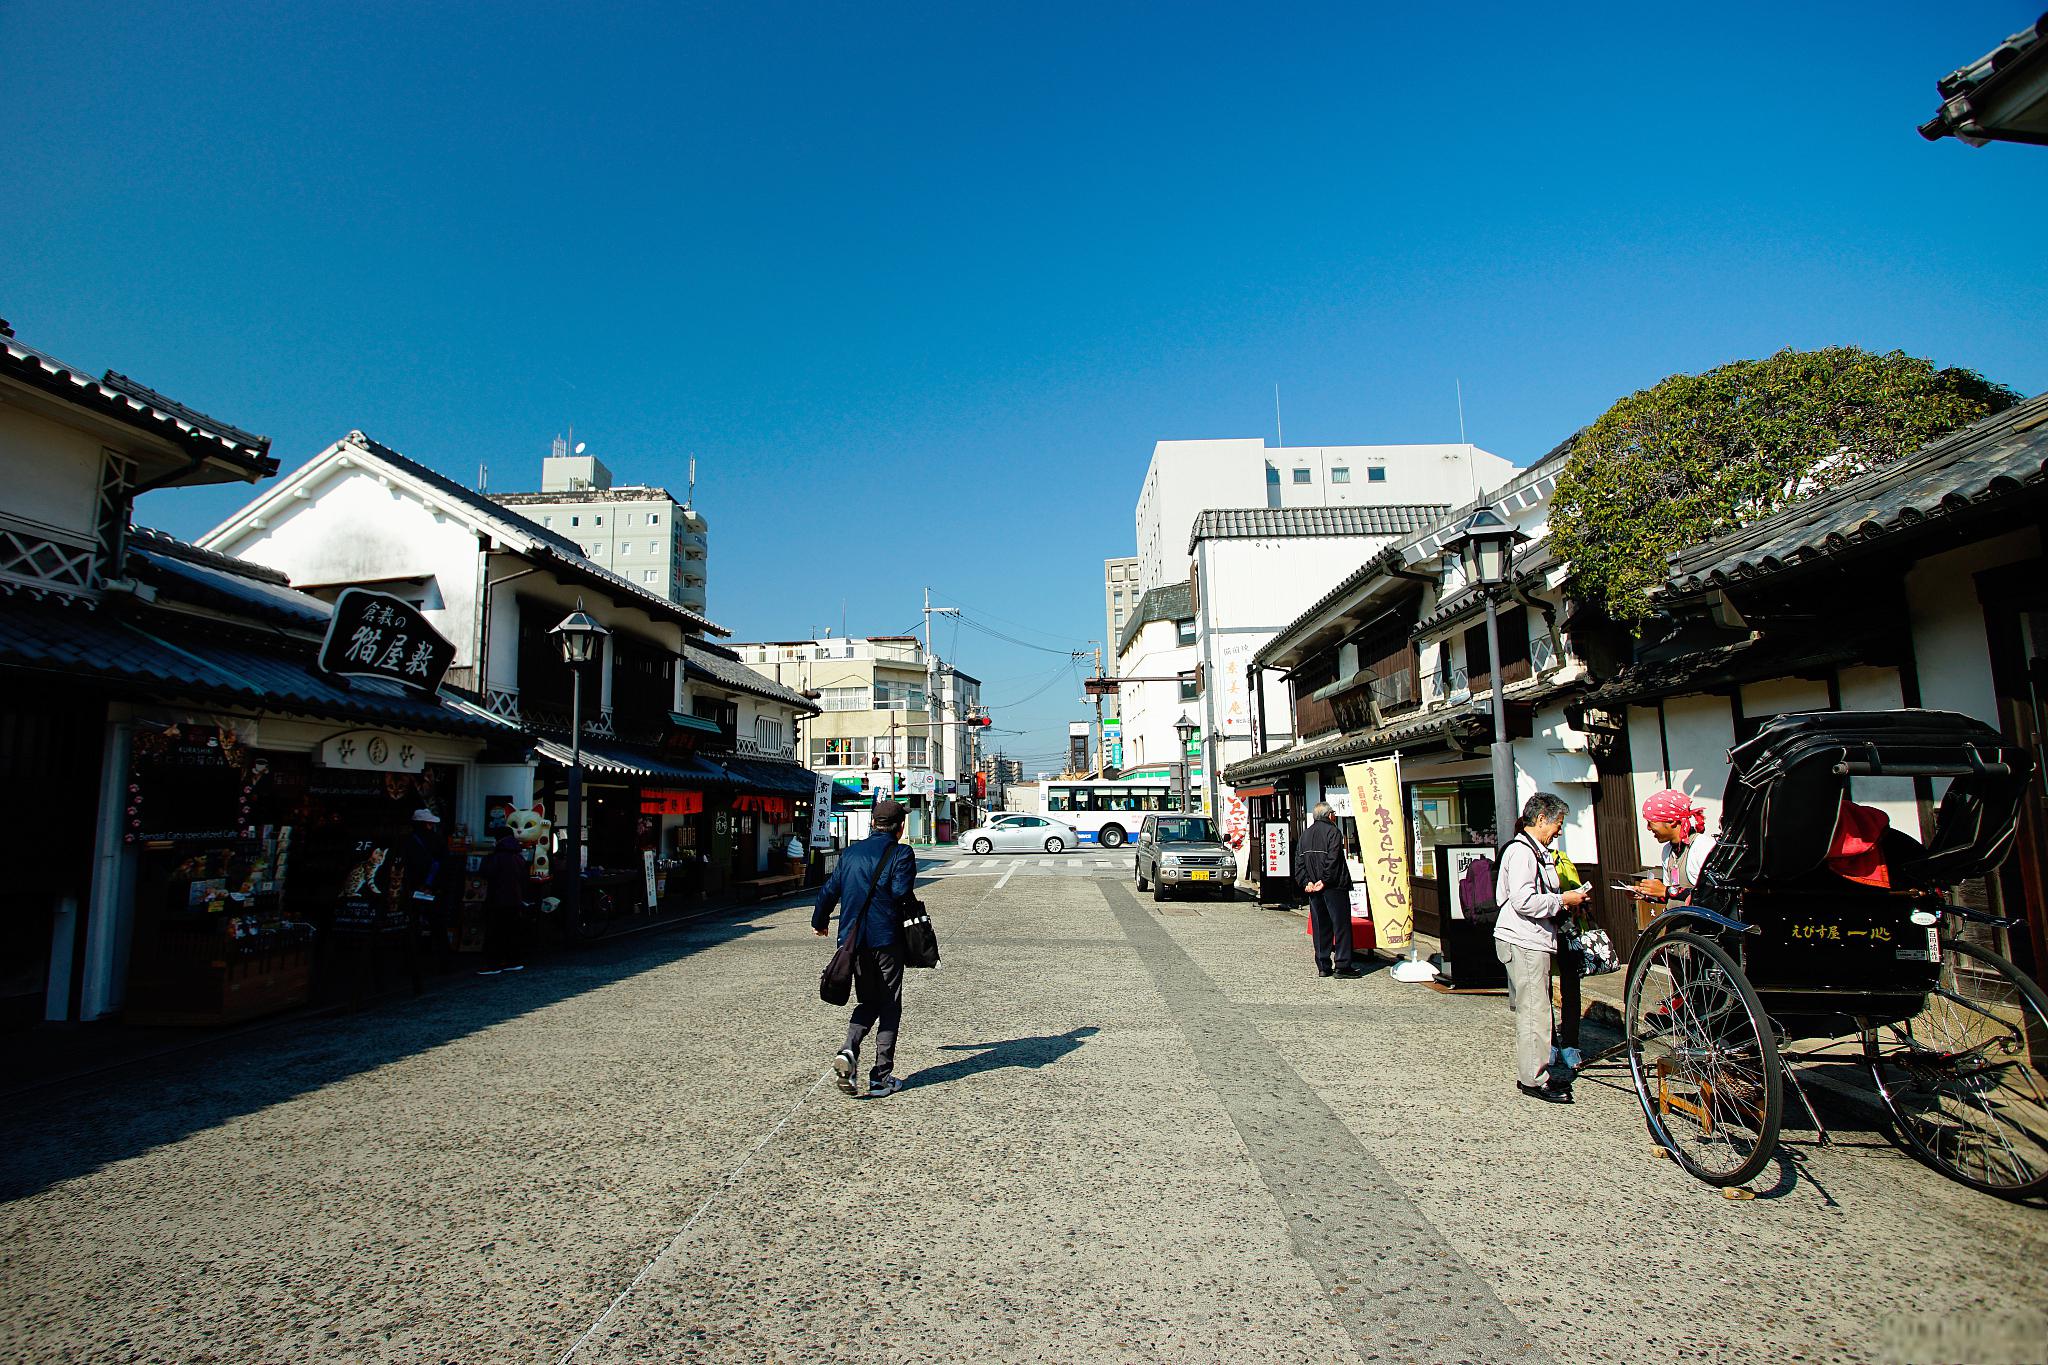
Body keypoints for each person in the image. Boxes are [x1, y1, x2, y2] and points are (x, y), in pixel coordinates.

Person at [1493, 793, 1594, 1104]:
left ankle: (1534, 1074)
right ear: (1540, 820)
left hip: (1530, 939)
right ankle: (1535, 1079)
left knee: (1534, 1009)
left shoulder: (1535, 851)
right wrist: (1564, 900)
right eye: (1558, 824)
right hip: (1524, 940)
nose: (1559, 831)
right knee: (1535, 1011)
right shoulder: (1523, 853)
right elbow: (1522, 900)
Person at [813, 797, 918, 1097]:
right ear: (899, 828)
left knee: (869, 1001)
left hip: (853, 941)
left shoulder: (850, 853)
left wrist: (820, 921)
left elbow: (829, 890)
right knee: (889, 1004)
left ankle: (848, 1050)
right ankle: (881, 1077)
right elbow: (900, 892)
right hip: (886, 940)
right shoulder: (901, 853)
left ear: (874, 823)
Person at [1292, 803, 1362, 978]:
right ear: (1329, 815)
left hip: (1313, 888)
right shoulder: (1333, 832)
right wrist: (1324, 880)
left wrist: (1306, 882)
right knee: (1341, 926)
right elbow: (1333, 859)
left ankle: (1323, 966)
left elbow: (1298, 861)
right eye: (1333, 813)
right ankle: (1342, 965)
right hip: (1334, 886)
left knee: (1320, 926)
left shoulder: (1305, 834)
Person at [1634, 789, 1716, 910]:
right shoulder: (1667, 850)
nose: (1648, 828)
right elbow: (1671, 897)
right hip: (1676, 924)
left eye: (1650, 822)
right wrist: (1647, 894)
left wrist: (1667, 891)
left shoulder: (1703, 847)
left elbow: (1713, 894)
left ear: (1671, 821)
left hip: (1700, 926)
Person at [400, 809, 452, 971]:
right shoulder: (438, 840)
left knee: (412, 925)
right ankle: (443, 964)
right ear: (428, 824)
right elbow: (445, 866)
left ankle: (411, 963)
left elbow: (404, 867)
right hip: (433, 889)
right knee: (438, 927)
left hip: (413, 888)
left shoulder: (407, 842)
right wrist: (438, 887)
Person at [479, 821, 529, 976]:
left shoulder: (496, 857)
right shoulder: (519, 856)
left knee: (495, 932)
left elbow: (486, 873)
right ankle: (513, 961)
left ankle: (493, 964)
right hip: (515, 898)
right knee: (512, 931)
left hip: (497, 898)